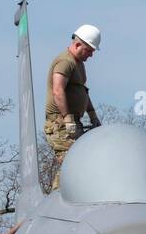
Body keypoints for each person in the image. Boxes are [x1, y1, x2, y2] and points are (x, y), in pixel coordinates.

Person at [43, 24, 102, 190]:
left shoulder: (78, 64)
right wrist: (68, 119)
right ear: (77, 45)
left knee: (81, 161)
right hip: (59, 125)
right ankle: (56, 200)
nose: (91, 55)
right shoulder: (65, 62)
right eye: (89, 50)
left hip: (73, 123)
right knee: (72, 164)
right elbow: (57, 90)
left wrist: (92, 115)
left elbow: (82, 91)